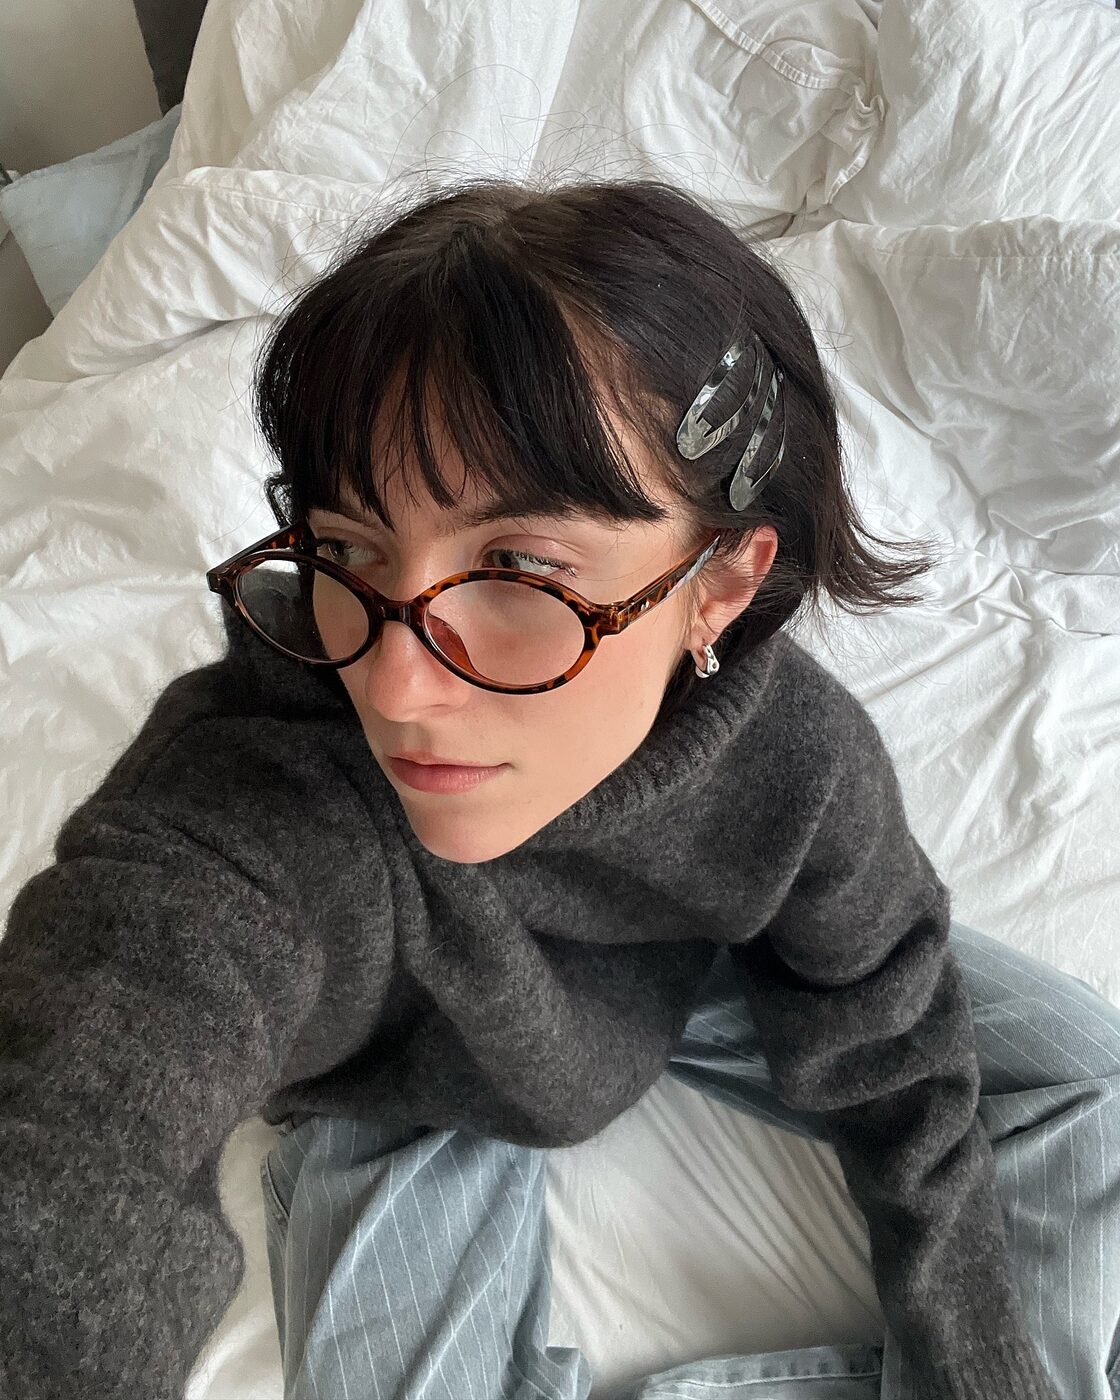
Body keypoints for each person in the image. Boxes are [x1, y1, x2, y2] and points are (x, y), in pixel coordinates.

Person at [0, 175, 1116, 1400]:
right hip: (413, 1073)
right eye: (347, 549)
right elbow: (84, 1108)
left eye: (520, 568)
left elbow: (890, 1033)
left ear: (719, 586)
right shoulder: (261, 799)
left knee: (1090, 1073)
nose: (398, 684)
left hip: (688, 965)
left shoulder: (796, 765)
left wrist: (976, 1366)